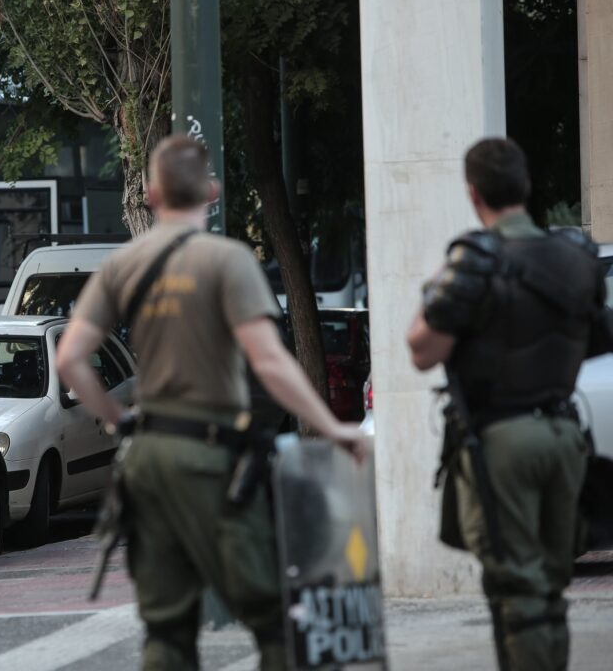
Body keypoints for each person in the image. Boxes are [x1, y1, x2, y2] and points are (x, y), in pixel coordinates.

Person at [56, 134, 364, 671]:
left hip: (149, 460)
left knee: (168, 632)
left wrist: (119, 420)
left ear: (150, 194)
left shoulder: (122, 265)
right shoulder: (229, 260)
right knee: (275, 618)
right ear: (213, 192)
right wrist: (333, 430)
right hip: (216, 460)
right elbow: (268, 361)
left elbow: (71, 361)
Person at [408, 137, 606, 671]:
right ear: (527, 186)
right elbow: (598, 335)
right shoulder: (577, 259)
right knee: (548, 589)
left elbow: (422, 349)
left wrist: (432, 294)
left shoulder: (474, 259)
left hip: (501, 443)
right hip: (566, 436)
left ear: (474, 194)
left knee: (517, 594)